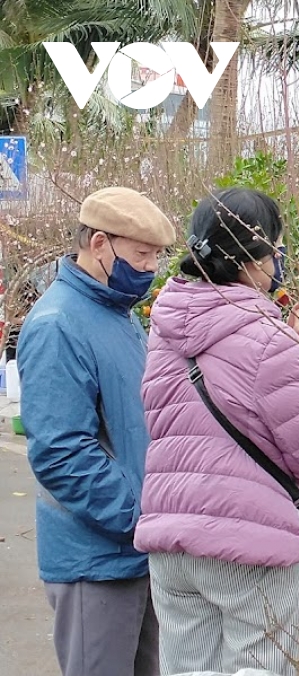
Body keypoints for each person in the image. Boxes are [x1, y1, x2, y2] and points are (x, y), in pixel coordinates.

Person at [134, 187, 299, 676]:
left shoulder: (164, 331)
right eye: (275, 248)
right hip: (251, 544)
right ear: (253, 259)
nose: (279, 260)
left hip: (171, 541)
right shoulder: (269, 338)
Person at [18, 186, 176, 676]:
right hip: (95, 559)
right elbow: (62, 454)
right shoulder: (57, 324)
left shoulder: (120, 317)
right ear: (100, 244)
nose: (150, 268)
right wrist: (138, 517)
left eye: (156, 257)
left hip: (137, 551)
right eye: (141, 254)